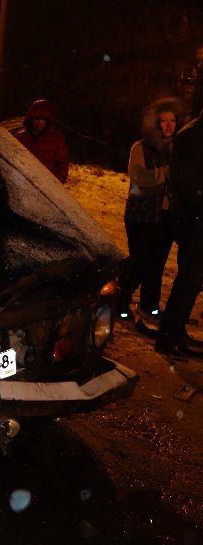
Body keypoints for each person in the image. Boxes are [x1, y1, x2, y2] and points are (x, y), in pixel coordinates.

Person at [117, 98, 181, 324]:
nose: (169, 126)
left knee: (157, 263)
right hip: (140, 216)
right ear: (155, 124)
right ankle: (119, 302)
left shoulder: (176, 148)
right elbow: (138, 179)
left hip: (164, 216)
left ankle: (149, 306)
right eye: (163, 121)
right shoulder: (140, 148)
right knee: (139, 263)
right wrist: (167, 174)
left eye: (172, 121)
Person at [154, 107, 203, 358]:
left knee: (192, 279)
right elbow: (188, 182)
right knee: (189, 279)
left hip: (192, 217)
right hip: (191, 219)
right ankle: (168, 337)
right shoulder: (194, 134)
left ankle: (175, 332)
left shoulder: (195, 132)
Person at [14, 99, 69, 183]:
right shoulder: (19, 138)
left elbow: (63, 165)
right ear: (31, 119)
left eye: (43, 119)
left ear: (47, 120)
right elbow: (14, 163)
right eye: (37, 118)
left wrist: (57, 184)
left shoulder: (57, 140)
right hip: (26, 184)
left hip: (48, 186)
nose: (39, 122)